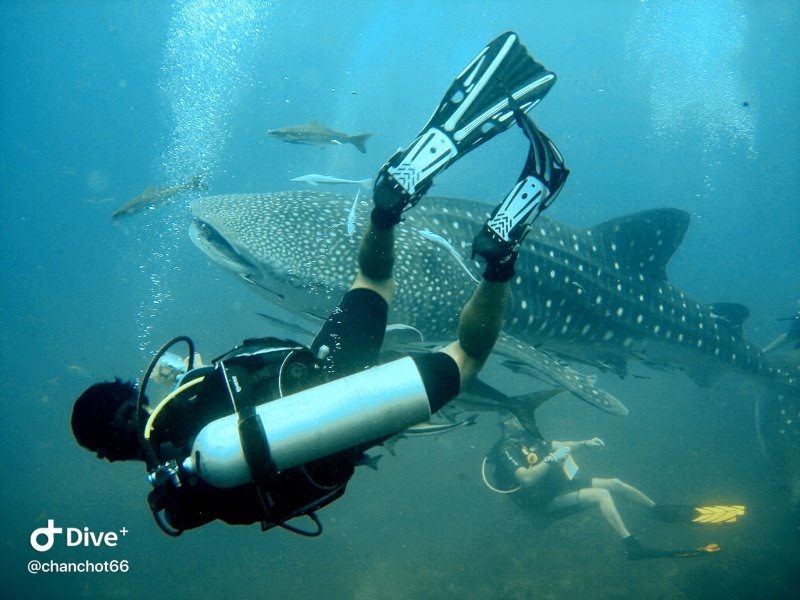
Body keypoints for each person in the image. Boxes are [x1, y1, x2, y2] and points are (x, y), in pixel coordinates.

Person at [70, 31, 569, 537]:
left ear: (109, 454)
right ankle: (387, 205)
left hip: (353, 417)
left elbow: (270, 503)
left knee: (466, 359)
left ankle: (501, 255)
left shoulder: (180, 497)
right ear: (132, 395)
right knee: (373, 279)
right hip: (323, 362)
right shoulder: (181, 400)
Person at [484, 414, 731, 559]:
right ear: (506, 420)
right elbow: (526, 478)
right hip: (542, 502)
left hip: (558, 485)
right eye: (517, 415)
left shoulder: (526, 437)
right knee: (601, 494)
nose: (523, 417)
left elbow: (557, 443)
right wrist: (551, 460)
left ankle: (658, 511)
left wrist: (585, 443)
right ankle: (633, 546)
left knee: (614, 483)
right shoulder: (506, 449)